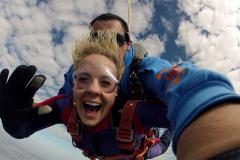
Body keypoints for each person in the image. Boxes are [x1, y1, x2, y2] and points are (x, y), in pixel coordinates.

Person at [1, 13, 240, 160]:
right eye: (95, 38)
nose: (103, 44)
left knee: (163, 141)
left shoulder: (141, 71)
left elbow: (187, 85)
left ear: (128, 44)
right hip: (103, 145)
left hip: (140, 148)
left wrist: (220, 141)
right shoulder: (73, 90)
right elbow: (41, 115)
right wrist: (18, 123)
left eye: (115, 39)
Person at [0, 32, 172, 160]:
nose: (93, 90)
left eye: (105, 82)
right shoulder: (67, 107)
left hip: (140, 152)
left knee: (162, 146)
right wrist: (12, 122)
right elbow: (23, 126)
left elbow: (185, 113)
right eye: (83, 79)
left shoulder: (134, 114)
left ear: (116, 90)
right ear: (73, 85)